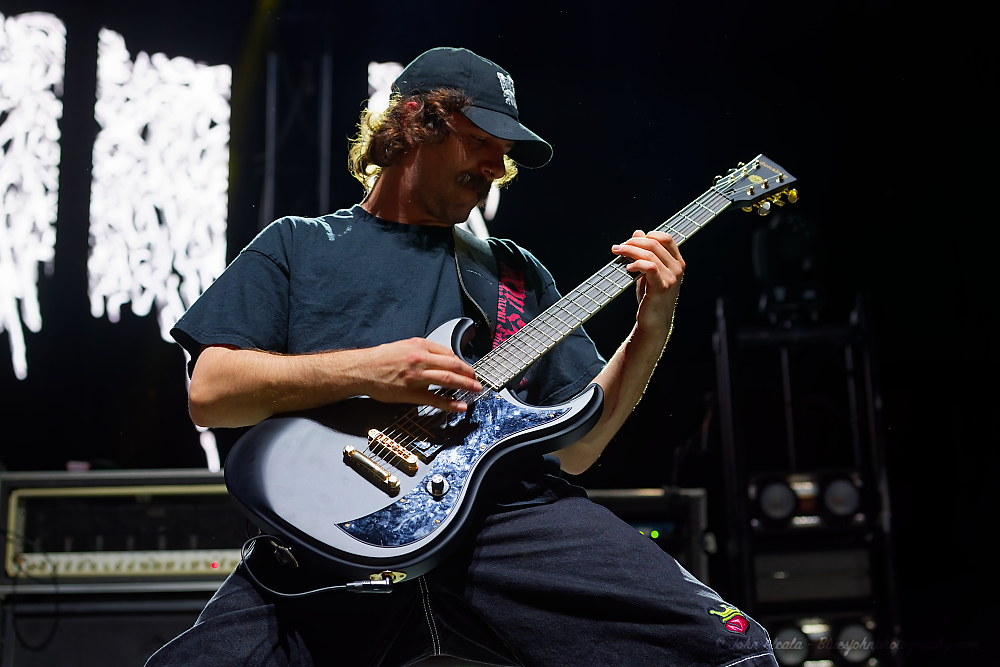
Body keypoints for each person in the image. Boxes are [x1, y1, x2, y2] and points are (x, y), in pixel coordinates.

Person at [149, 47, 777, 667]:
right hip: (330, 531)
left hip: (508, 523)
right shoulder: (299, 245)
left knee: (731, 651)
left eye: (504, 153)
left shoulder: (513, 273)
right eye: (481, 141)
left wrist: (652, 323)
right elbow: (211, 392)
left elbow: (580, 448)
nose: (495, 166)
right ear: (415, 121)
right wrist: (370, 370)